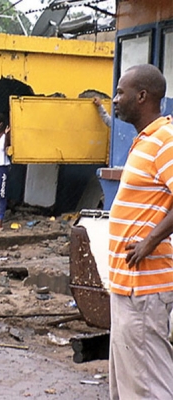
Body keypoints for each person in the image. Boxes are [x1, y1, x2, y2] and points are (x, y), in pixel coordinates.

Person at [108, 64, 173, 399]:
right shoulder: (146, 140)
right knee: (130, 387)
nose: (115, 100)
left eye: (121, 92)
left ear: (142, 96)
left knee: (150, 388)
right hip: (128, 287)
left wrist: (150, 240)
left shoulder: (164, 140)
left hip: (144, 288)